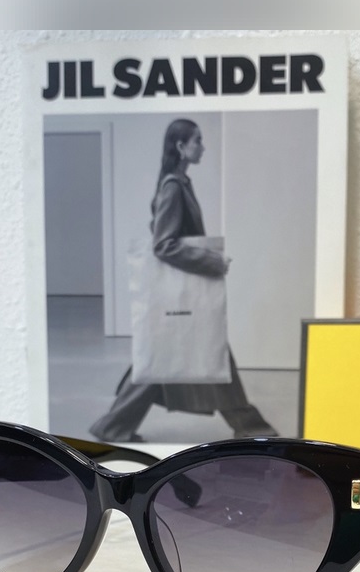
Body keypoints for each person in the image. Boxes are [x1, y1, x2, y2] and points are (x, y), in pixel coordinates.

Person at [89, 118, 278, 443]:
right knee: (205, 355)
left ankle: (114, 427)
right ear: (181, 146)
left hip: (183, 293)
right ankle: (251, 427)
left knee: (160, 361)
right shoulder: (174, 187)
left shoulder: (178, 183)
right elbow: (163, 244)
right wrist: (212, 261)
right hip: (187, 291)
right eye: (197, 140)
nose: (202, 147)